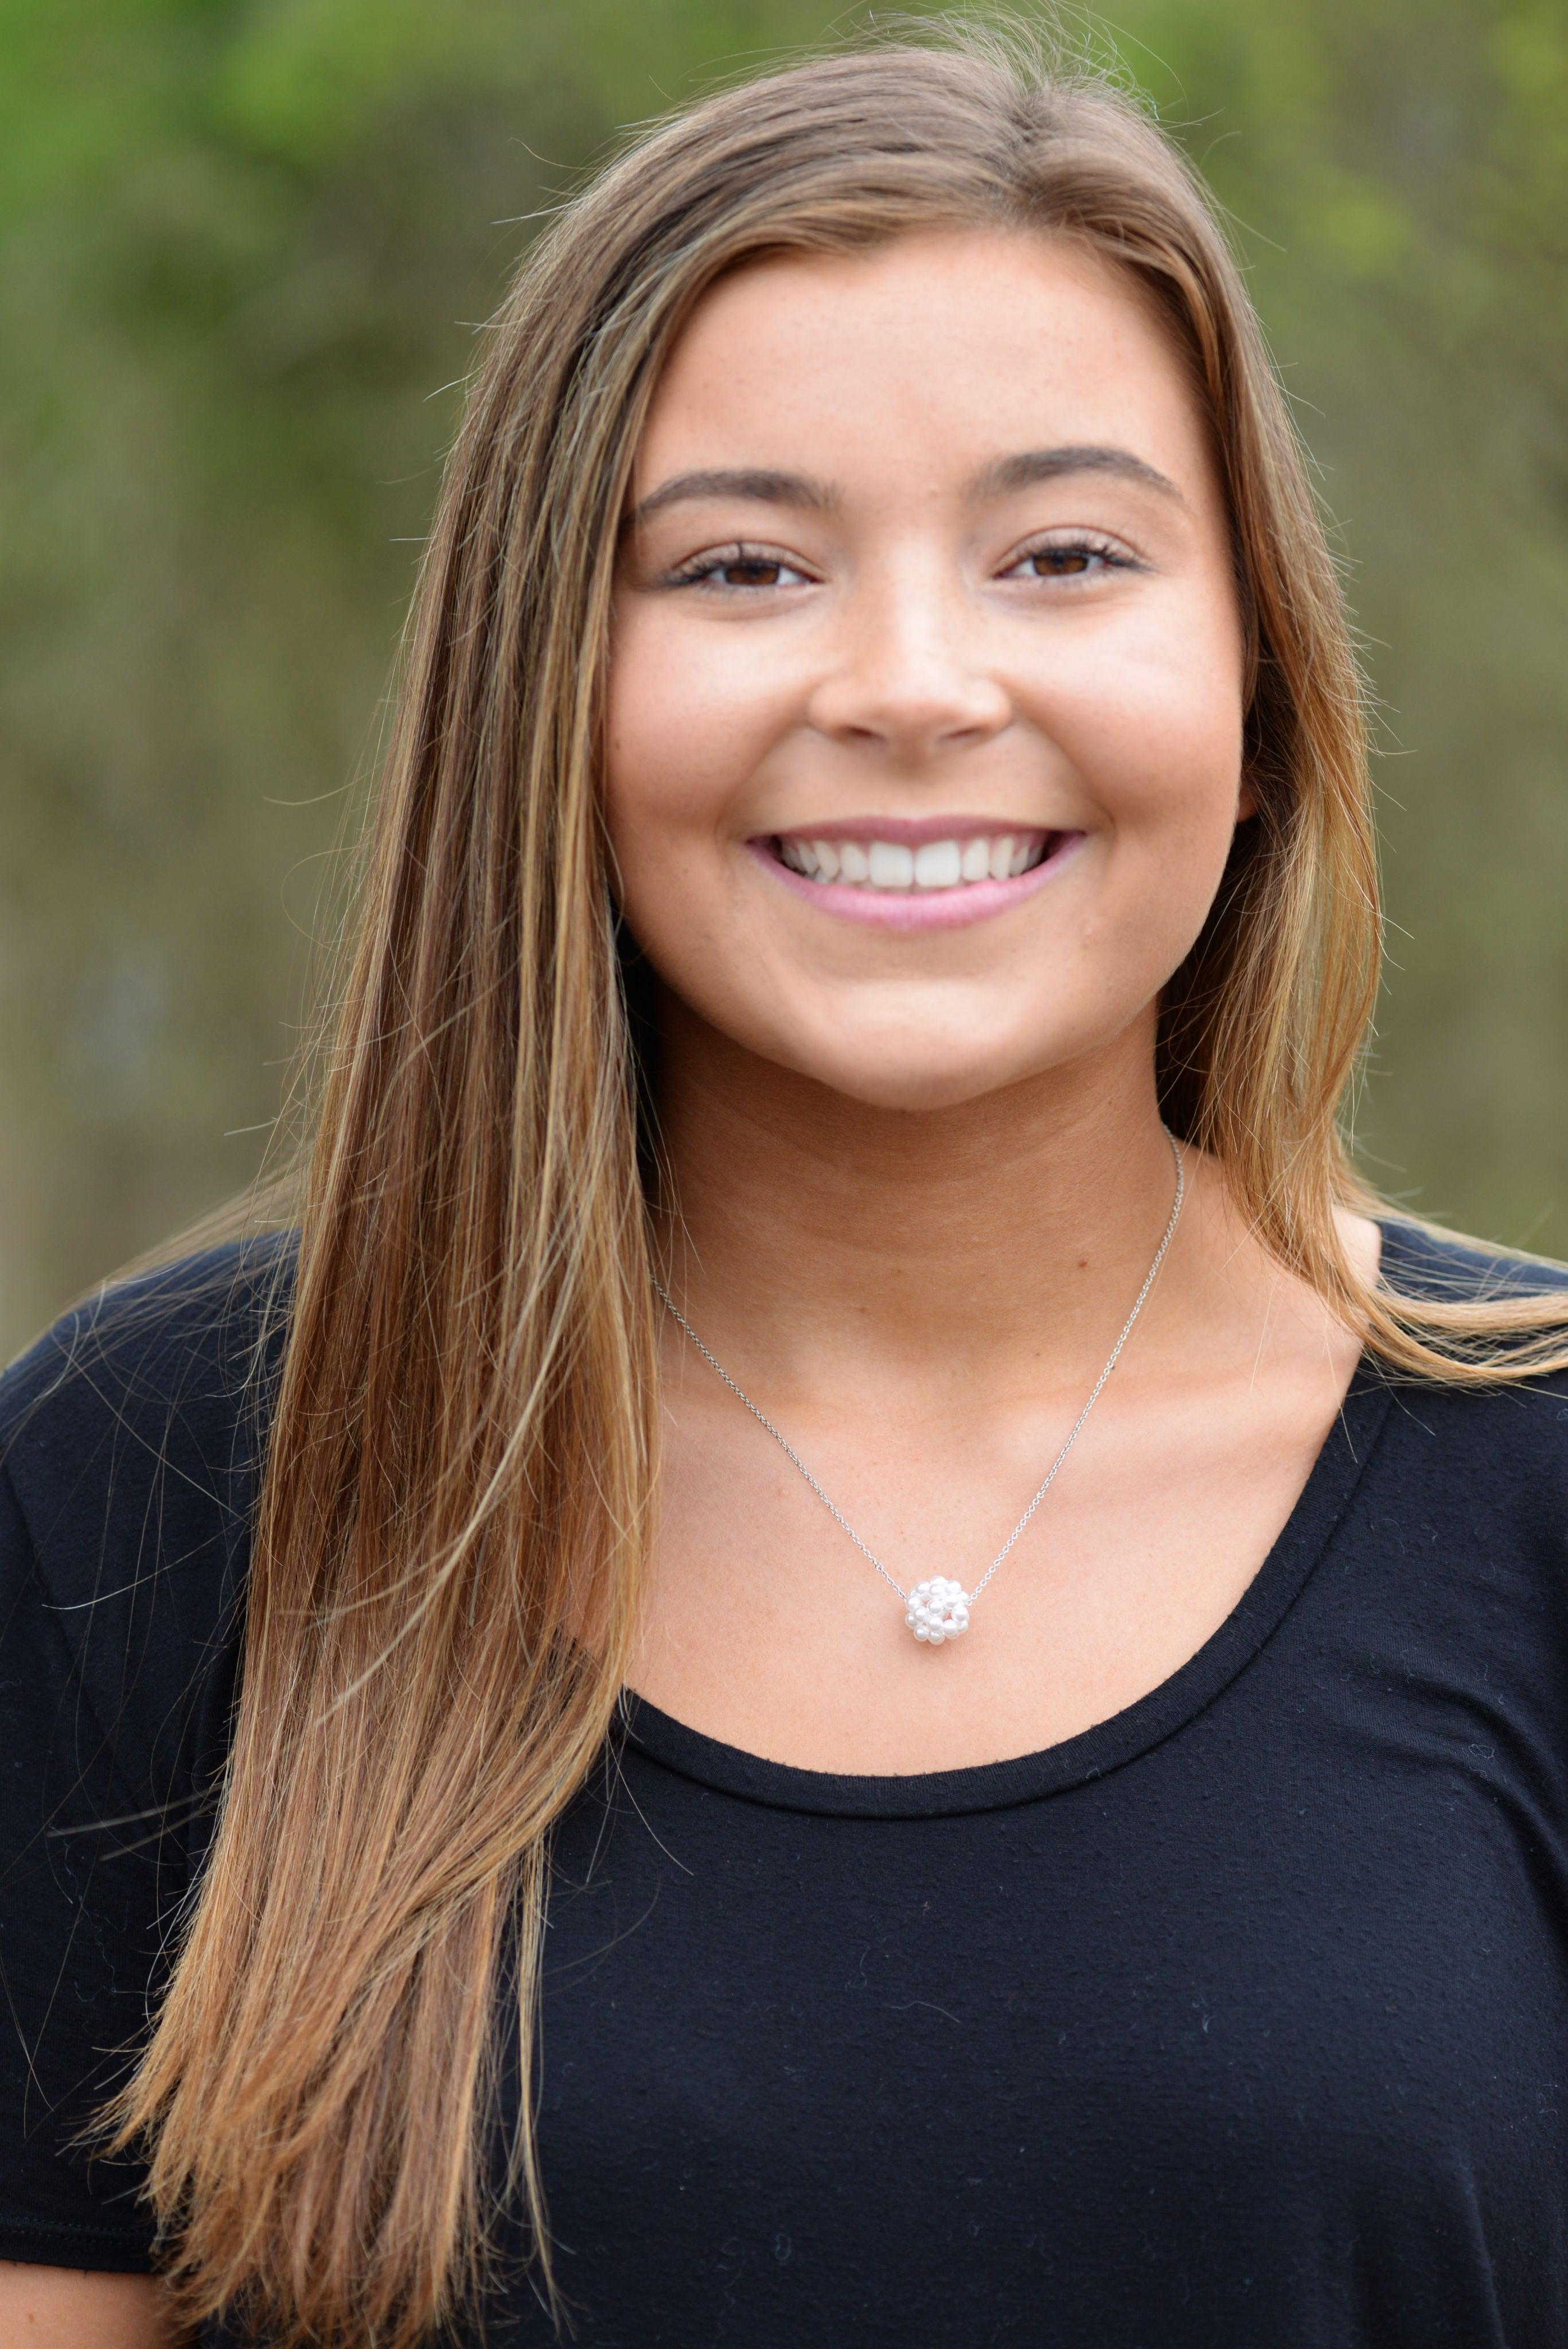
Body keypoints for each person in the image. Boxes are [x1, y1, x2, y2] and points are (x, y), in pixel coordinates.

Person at [2, 25, 1566, 2349]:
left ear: (1254, 679)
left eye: (1065, 553)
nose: (913, 683)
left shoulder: (1538, 1476)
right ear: (545, 688)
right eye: (741, 564)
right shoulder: (147, 1482)